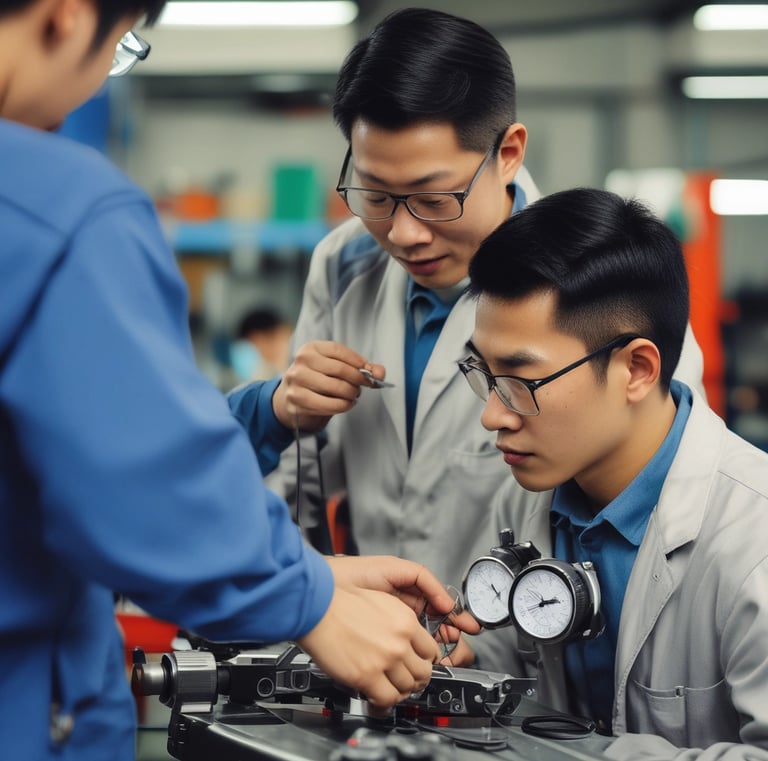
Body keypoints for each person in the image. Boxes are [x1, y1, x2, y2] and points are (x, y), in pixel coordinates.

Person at [0, 2, 479, 759]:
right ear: (66, 16)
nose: (406, 229)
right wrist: (310, 597)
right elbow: (143, 486)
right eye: (122, 47)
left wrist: (309, 574)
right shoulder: (60, 206)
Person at [228, 7, 705, 666]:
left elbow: (658, 547)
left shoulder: (601, 294)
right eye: (374, 194)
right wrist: (284, 411)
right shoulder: (342, 266)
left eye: (432, 197)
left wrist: (502, 651)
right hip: (371, 661)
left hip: (527, 674)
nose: (403, 233)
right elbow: (303, 482)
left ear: (507, 153)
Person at [460, 187, 768, 759]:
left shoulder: (753, 538)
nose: (491, 415)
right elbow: (508, 681)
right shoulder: (527, 502)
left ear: (636, 369)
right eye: (482, 371)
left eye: (521, 381)